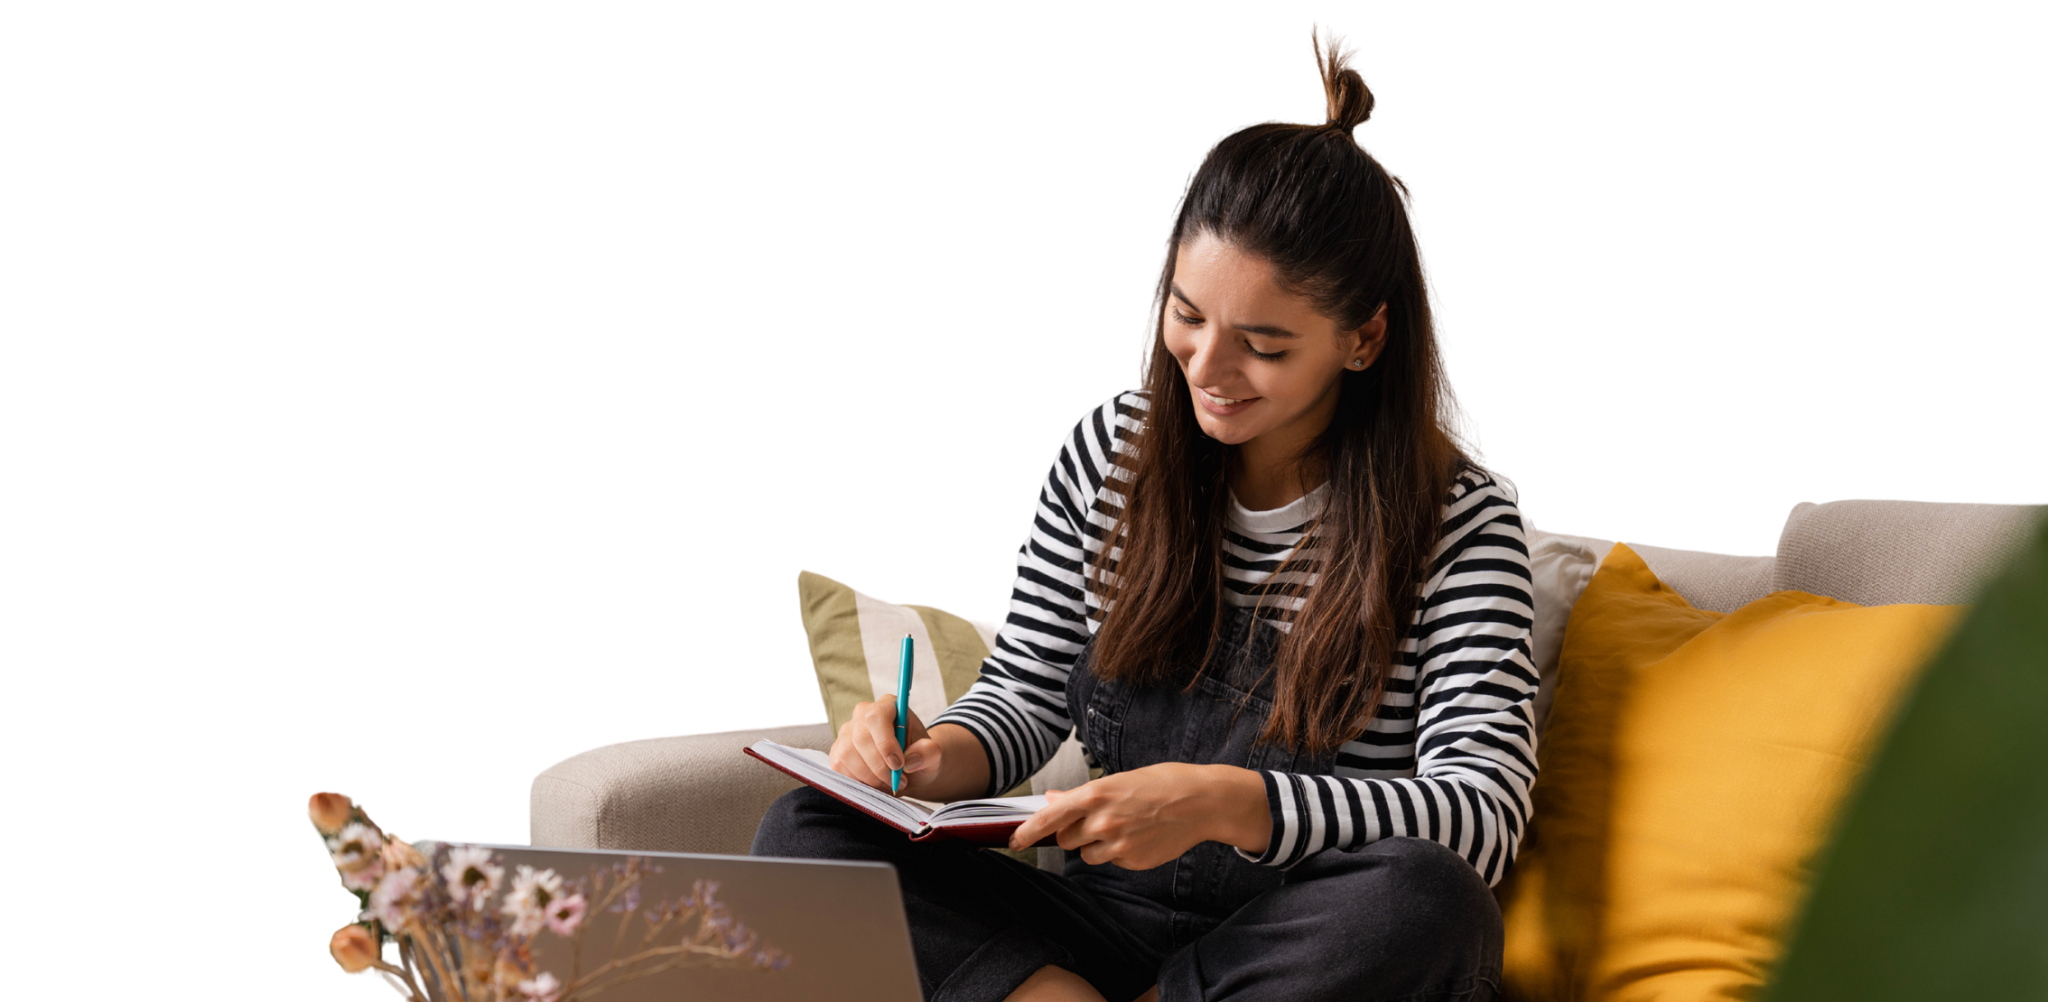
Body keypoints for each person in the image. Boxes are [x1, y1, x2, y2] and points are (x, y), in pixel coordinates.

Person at [753, 25, 1532, 1002]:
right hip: (1090, 932)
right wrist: (923, 758)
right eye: (1187, 314)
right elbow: (1023, 702)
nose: (1204, 370)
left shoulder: (1461, 523)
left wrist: (1226, 803)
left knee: (1431, 900)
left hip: (1285, 946)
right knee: (801, 832)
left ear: (1364, 338)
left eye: (1262, 343)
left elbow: (1481, 809)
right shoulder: (1108, 451)